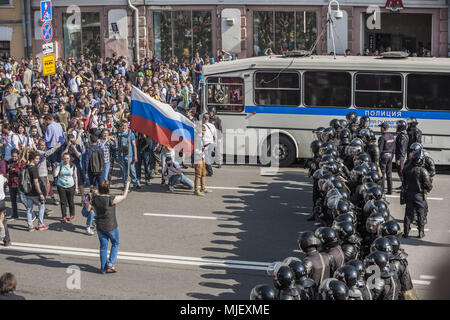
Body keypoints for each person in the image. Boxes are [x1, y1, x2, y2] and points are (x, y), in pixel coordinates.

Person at [91, 179, 130, 274]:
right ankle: (111, 264)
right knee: (116, 243)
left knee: (103, 247)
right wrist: (127, 184)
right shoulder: (111, 199)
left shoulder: (94, 200)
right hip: (111, 226)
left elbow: (94, 212)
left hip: (100, 226)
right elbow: (124, 196)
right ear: (108, 189)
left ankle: (103, 269)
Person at [401, 151, 432, 239]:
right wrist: (429, 188)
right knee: (421, 213)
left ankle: (406, 232)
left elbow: (404, 182)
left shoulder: (406, 169)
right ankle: (421, 232)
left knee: (408, 214)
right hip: (419, 195)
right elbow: (428, 185)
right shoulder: (423, 171)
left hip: (409, 193)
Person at [20, 151, 48, 232]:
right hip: (35, 193)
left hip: (27, 192)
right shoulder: (34, 169)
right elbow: (36, 182)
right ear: (32, 159)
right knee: (41, 207)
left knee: (29, 209)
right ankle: (40, 224)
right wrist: (40, 193)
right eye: (37, 158)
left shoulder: (25, 167)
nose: (38, 160)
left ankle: (30, 226)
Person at [54, 152, 78, 223]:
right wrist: (55, 167)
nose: (66, 160)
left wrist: (76, 187)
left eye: (67, 158)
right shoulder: (60, 165)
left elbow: (75, 177)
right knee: (63, 202)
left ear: (70, 158)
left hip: (71, 185)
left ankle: (72, 215)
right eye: (64, 158)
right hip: (61, 185)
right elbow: (55, 175)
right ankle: (64, 216)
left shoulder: (73, 166)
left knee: (71, 201)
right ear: (62, 159)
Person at [116, 120, 139, 190]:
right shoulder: (118, 134)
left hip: (129, 155)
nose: (123, 127)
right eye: (122, 125)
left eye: (125, 125)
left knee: (132, 170)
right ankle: (126, 185)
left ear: (127, 126)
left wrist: (135, 156)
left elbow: (134, 145)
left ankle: (135, 183)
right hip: (121, 155)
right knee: (123, 171)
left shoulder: (131, 134)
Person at [6, 149, 26, 220]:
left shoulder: (21, 162)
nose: (14, 158)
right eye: (12, 156)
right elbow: (5, 171)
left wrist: (16, 170)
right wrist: (7, 168)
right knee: (13, 200)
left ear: (18, 155)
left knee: (23, 199)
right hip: (11, 183)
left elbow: (24, 172)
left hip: (19, 183)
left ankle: (31, 213)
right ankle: (15, 215)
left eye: (15, 156)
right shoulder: (9, 161)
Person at [193, 125, 212, 196]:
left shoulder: (201, 138)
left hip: (202, 157)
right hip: (198, 157)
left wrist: (205, 147)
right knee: (198, 174)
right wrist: (203, 148)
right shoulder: (197, 138)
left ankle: (203, 188)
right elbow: (195, 149)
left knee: (203, 173)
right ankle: (196, 190)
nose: (204, 132)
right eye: (203, 130)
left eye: (204, 130)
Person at [378, 122, 395, 194]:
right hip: (390, 155)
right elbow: (394, 148)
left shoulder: (382, 137)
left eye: (381, 127)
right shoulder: (392, 136)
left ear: (383, 128)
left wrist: (378, 158)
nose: (380, 128)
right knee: (389, 174)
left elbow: (380, 149)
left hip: (384, 156)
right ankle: (390, 190)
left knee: (382, 174)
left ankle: (382, 190)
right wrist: (392, 156)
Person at [395, 120, 409, 187]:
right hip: (400, 156)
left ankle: (405, 185)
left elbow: (402, 149)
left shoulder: (402, 137)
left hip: (401, 157)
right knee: (400, 171)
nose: (396, 127)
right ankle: (403, 184)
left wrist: (399, 159)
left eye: (397, 126)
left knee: (401, 171)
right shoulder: (401, 135)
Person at [0, 179, 11, 246]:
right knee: (3, 221)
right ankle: (7, 241)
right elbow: (7, 182)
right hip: (2, 202)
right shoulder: (2, 177)